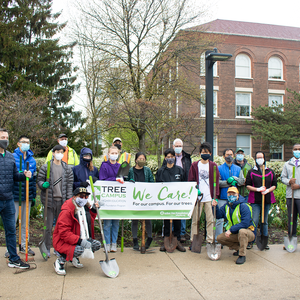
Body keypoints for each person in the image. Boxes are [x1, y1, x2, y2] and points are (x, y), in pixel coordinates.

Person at [0, 128, 31, 269]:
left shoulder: (10, 156)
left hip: (8, 199)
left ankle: (13, 258)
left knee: (11, 230)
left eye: (6, 137)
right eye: (2, 137)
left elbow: (14, 176)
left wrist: (24, 175)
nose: (5, 140)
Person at [52, 186, 101, 275]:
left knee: (96, 245)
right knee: (79, 249)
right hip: (63, 241)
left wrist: (94, 209)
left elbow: (89, 221)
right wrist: (80, 241)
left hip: (78, 237)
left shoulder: (84, 207)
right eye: (81, 196)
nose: (84, 198)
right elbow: (64, 233)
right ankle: (60, 262)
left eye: (86, 196)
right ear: (74, 197)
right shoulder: (67, 210)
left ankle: (74, 258)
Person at [38, 144, 74, 257]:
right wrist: (43, 185)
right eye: (57, 151)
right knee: (47, 227)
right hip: (49, 201)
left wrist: (68, 202)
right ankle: (46, 248)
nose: (59, 154)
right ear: (53, 153)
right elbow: (39, 181)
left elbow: (69, 186)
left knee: (60, 229)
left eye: (61, 152)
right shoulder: (46, 167)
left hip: (62, 202)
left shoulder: (67, 168)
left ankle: (58, 249)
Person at [212, 186, 255, 264]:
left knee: (242, 231)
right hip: (235, 233)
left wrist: (231, 230)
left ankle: (242, 255)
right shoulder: (227, 206)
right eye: (229, 194)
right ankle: (239, 249)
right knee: (219, 238)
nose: (231, 196)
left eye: (233, 194)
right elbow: (218, 215)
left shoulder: (244, 206)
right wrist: (214, 207)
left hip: (248, 232)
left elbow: (245, 223)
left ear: (238, 195)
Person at [188, 142, 219, 248]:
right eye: (202, 152)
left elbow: (216, 183)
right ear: (200, 153)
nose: (204, 154)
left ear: (210, 153)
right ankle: (193, 240)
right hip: (198, 198)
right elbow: (191, 181)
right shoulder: (195, 165)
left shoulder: (214, 166)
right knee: (195, 220)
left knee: (210, 220)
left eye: (206, 152)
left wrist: (215, 198)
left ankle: (210, 240)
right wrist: (194, 191)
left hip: (209, 198)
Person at [10, 135, 37, 257]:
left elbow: (34, 178)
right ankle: (10, 247)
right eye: (23, 142)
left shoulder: (32, 160)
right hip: (15, 194)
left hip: (27, 194)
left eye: (28, 142)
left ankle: (24, 244)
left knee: (25, 222)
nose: (26, 144)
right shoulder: (12, 157)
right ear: (18, 143)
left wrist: (34, 195)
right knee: (13, 221)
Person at [156, 148, 186, 252]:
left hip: (177, 201)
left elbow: (185, 185)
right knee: (167, 221)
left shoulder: (179, 170)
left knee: (177, 220)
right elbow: (157, 186)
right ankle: (166, 240)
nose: (170, 159)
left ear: (174, 157)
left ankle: (177, 241)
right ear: (165, 158)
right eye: (168, 157)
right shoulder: (161, 171)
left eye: (172, 157)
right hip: (165, 201)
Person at [246, 151, 277, 250]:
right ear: (255, 159)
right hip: (255, 200)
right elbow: (248, 185)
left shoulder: (270, 171)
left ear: (264, 158)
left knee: (264, 221)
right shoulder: (251, 171)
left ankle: (264, 241)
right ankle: (251, 241)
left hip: (266, 199)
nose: (260, 159)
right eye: (258, 157)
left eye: (261, 157)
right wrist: (257, 189)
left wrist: (267, 190)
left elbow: (274, 185)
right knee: (254, 221)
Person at [162, 138, 192, 242]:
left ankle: (179, 237)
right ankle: (167, 236)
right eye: (177, 146)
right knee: (167, 217)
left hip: (179, 194)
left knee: (179, 216)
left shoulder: (186, 159)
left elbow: (186, 176)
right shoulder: (162, 170)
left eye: (180, 146)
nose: (178, 148)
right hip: (167, 196)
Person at [127, 152, 154, 250]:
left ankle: (149, 238)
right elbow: (127, 182)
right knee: (135, 219)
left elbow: (152, 182)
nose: (142, 160)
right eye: (140, 158)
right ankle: (135, 240)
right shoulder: (131, 170)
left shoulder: (147, 170)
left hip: (145, 197)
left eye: (143, 159)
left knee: (147, 219)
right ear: (135, 160)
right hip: (134, 197)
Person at [216, 148, 245, 241]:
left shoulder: (238, 168)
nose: (229, 156)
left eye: (231, 154)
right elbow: (218, 183)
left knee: (235, 219)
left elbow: (242, 182)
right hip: (223, 197)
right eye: (227, 154)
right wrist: (227, 182)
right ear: (224, 156)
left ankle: (233, 239)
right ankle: (218, 240)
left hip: (234, 198)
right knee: (219, 220)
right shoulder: (219, 168)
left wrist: (235, 179)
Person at [99, 146, 121, 252]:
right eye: (112, 153)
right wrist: (115, 179)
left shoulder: (120, 166)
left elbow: (122, 179)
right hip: (107, 198)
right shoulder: (104, 165)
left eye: (116, 153)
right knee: (107, 224)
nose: (114, 154)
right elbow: (102, 179)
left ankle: (114, 243)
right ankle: (107, 244)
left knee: (116, 223)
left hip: (117, 198)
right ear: (108, 154)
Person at [281, 144, 300, 248]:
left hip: (299, 195)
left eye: (299, 149)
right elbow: (282, 178)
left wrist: (299, 186)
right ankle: (291, 239)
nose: (297, 151)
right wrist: (289, 181)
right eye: (295, 149)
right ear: (292, 151)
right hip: (291, 196)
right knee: (291, 219)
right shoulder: (288, 164)